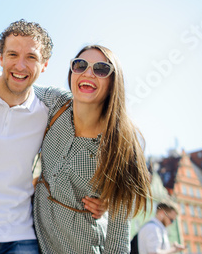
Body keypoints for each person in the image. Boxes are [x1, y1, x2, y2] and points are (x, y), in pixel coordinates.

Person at [0, 20, 105, 254]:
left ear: (45, 65)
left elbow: (88, 143)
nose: (20, 65)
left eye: (31, 57)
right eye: (12, 54)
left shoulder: (48, 112)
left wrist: (103, 199)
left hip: (20, 237)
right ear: (0, 59)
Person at [32, 44, 152, 253]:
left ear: (114, 82)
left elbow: (118, 237)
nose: (88, 72)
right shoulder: (57, 103)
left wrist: (107, 202)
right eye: (80, 65)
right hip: (35, 242)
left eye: (101, 69)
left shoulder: (121, 144)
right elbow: (16, 83)